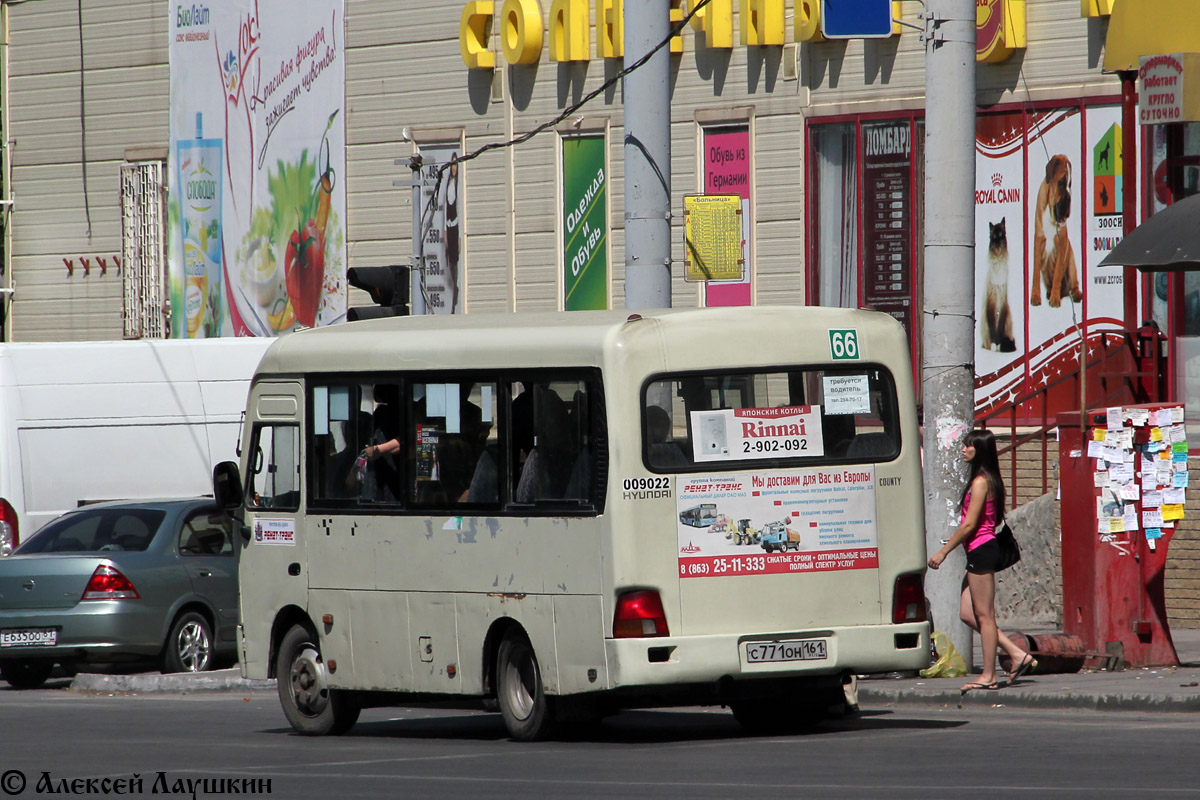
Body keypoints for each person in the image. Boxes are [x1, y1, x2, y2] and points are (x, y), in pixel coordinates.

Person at [927, 429, 1036, 695]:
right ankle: (1016, 653)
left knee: (985, 617)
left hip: (981, 549)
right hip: (979, 551)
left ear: (981, 450)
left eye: (969, 446)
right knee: (967, 613)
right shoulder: (987, 479)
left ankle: (988, 676)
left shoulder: (981, 482)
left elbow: (969, 525)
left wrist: (943, 552)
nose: (964, 450)